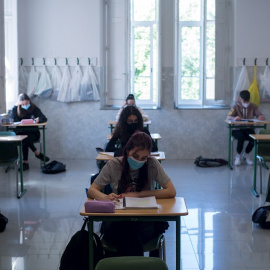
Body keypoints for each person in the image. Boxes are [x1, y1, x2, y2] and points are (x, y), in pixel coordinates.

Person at [88, 131, 176, 256]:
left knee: (129, 235)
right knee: (127, 232)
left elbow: (171, 191)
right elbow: (92, 190)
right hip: (117, 221)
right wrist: (105, 197)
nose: (139, 161)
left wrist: (139, 194)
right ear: (127, 150)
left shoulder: (152, 164)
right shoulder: (114, 165)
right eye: (135, 156)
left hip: (144, 222)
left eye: (144, 158)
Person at [10, 93, 50, 171]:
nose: (25, 105)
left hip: (33, 133)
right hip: (21, 132)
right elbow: (12, 120)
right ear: (19, 103)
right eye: (23, 104)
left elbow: (44, 118)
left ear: (29, 101)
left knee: (24, 139)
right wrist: (15, 106)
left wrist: (39, 120)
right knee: (22, 137)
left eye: (26, 103)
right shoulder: (16, 109)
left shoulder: (34, 108)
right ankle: (36, 152)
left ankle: (25, 163)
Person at [226, 90, 265, 166]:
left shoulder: (253, 106)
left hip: (248, 129)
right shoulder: (236, 106)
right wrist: (234, 118)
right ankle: (238, 155)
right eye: (244, 101)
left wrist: (260, 117)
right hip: (237, 129)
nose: (246, 103)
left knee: (254, 138)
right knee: (241, 137)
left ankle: (246, 154)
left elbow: (260, 114)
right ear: (240, 99)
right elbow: (228, 117)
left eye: (247, 101)